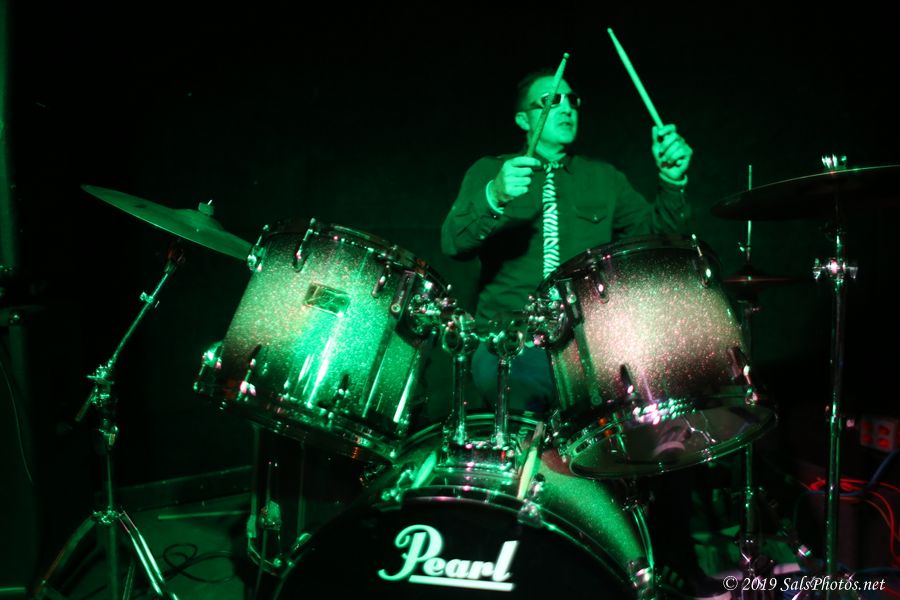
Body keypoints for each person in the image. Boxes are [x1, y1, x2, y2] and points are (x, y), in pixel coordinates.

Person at [440, 68, 727, 599]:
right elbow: (453, 242)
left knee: (663, 409)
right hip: (510, 342)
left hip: (586, 342)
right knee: (530, 398)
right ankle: (526, 550)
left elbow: (657, 241)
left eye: (572, 99)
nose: (567, 107)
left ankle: (665, 560)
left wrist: (672, 181)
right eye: (550, 101)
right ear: (523, 119)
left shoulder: (603, 178)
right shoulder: (492, 169)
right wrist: (495, 195)